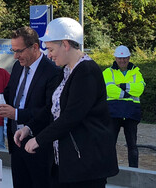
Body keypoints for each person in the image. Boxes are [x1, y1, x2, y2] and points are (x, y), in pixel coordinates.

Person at [22, 17, 119, 187]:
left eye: (51, 49)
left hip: (86, 165)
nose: (49, 55)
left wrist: (38, 140)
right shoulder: (67, 70)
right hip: (69, 162)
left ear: (65, 44)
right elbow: (52, 108)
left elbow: (71, 116)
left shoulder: (86, 71)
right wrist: (29, 127)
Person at [0, 26, 59, 188]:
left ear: (35, 47)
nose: (15, 56)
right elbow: (10, 94)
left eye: (19, 51)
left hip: (39, 145)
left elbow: (50, 111)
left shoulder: (52, 72)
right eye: (13, 50)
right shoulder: (18, 67)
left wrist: (17, 114)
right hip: (16, 144)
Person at [103, 45, 145, 168]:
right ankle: (109, 169)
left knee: (132, 145)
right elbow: (109, 89)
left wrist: (121, 86)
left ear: (129, 58)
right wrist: (128, 93)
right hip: (113, 113)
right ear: (115, 58)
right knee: (110, 144)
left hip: (131, 113)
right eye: (120, 58)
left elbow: (139, 89)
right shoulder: (108, 72)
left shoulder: (136, 72)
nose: (122, 61)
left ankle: (134, 170)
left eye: (125, 58)